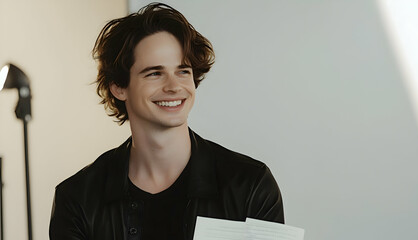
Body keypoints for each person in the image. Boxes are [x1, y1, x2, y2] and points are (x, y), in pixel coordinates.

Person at [49, 3, 284, 240]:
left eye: (183, 71)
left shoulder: (250, 186)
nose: (174, 86)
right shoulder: (77, 198)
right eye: (154, 73)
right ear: (119, 87)